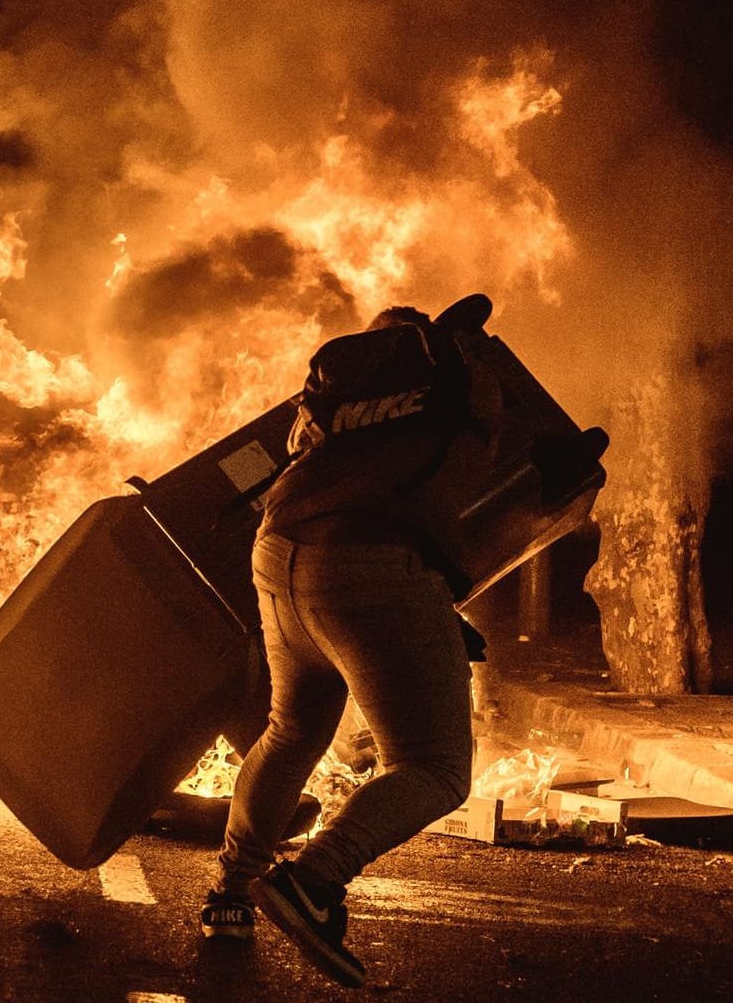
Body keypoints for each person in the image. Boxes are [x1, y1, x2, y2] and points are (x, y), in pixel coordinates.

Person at [198, 302, 502, 988]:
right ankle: (313, 882)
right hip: (371, 562)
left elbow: (298, 453)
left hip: (279, 551)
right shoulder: (462, 380)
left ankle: (230, 894)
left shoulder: (334, 391)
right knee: (434, 766)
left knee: (291, 728)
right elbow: (477, 483)